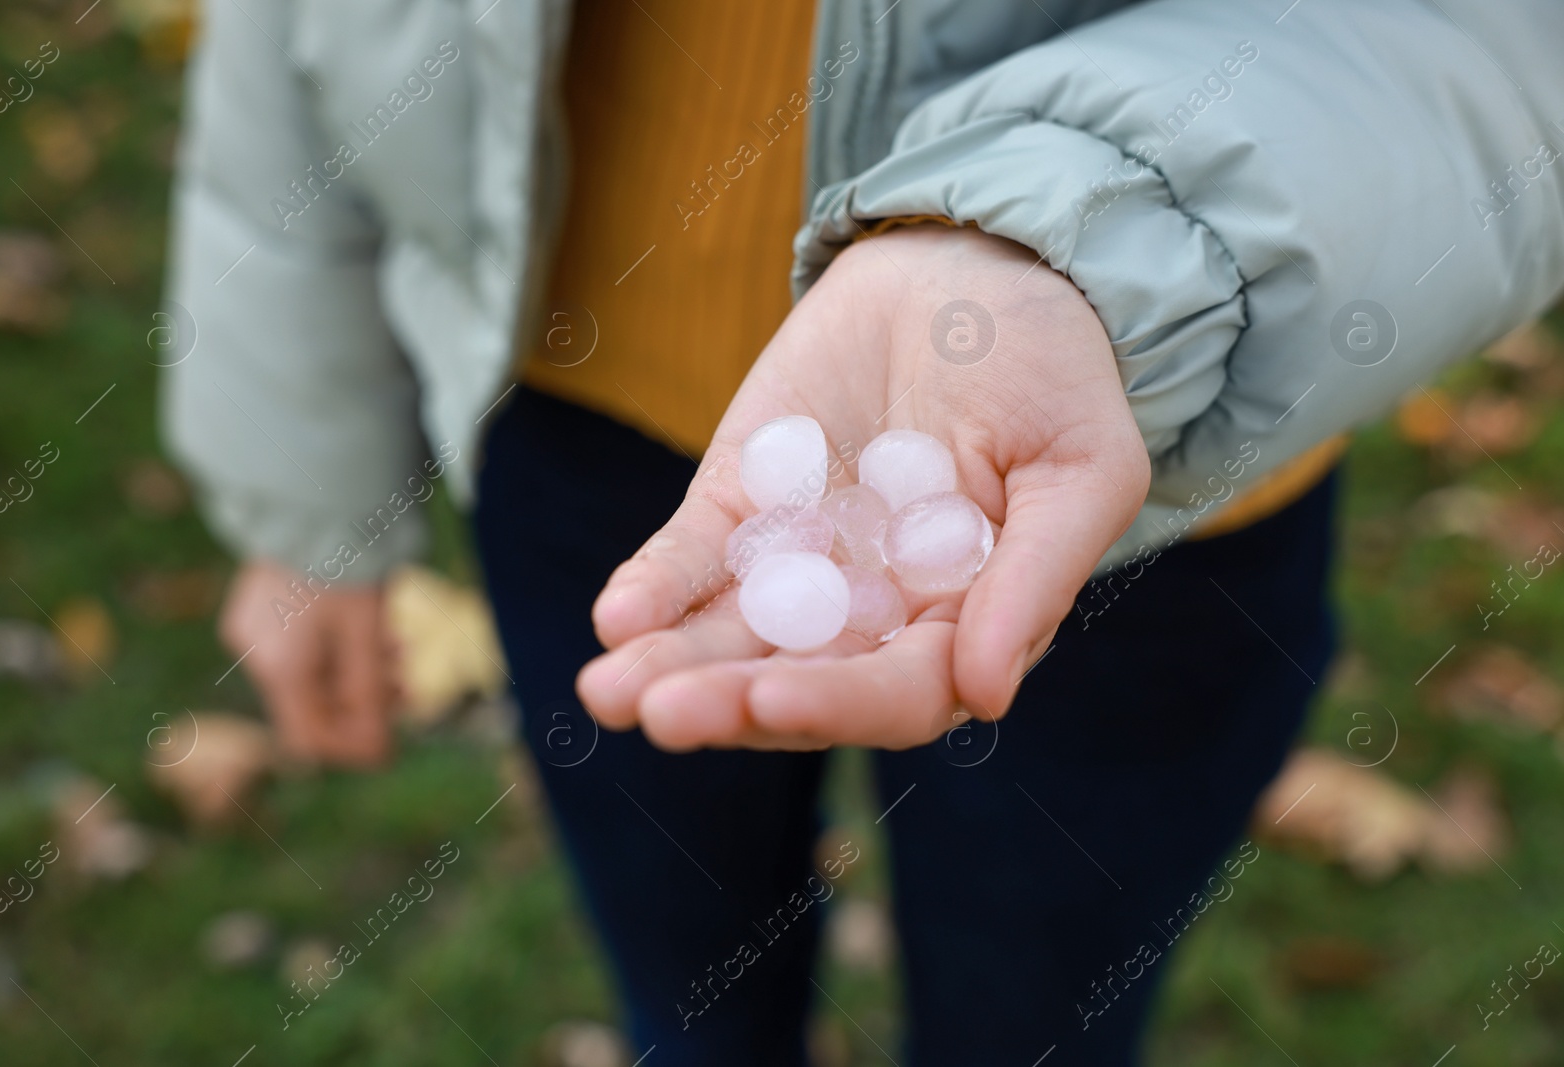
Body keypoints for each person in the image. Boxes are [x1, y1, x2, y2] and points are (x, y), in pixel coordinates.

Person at [163, 0, 1564, 1062]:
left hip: (1134, 471)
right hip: (574, 424)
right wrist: (303, 491)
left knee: (1038, 1018)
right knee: (689, 990)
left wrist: (1099, 241)